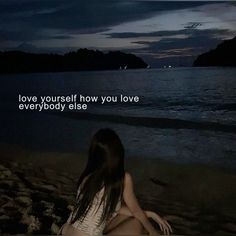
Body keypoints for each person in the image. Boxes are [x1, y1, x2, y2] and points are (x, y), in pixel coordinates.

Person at [59, 128, 172, 236]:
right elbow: (137, 212)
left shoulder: (88, 176)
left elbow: (115, 209)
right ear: (118, 152)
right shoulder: (123, 178)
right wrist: (153, 232)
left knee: (125, 217)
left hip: (65, 230)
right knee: (137, 223)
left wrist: (150, 214)